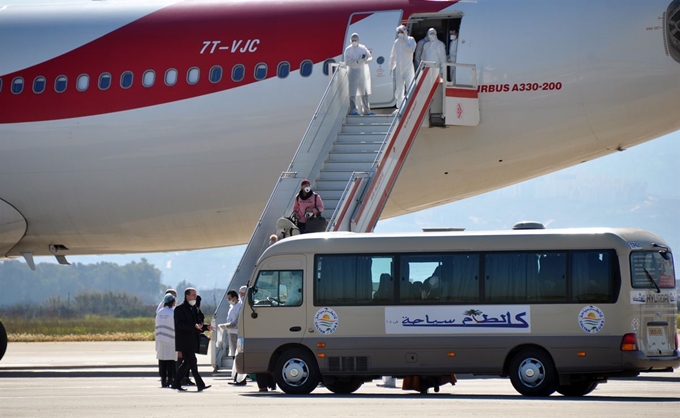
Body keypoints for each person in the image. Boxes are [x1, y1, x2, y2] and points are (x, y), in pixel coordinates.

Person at [171, 287, 213, 392]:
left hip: (193, 340)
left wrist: (206, 327)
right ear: (187, 296)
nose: (195, 297)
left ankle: (176, 383)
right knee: (192, 362)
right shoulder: (179, 309)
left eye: (195, 295)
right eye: (193, 295)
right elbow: (180, 324)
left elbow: (198, 324)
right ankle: (200, 384)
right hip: (184, 341)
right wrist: (193, 326)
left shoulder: (194, 308)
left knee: (187, 363)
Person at [219, 290, 246, 386]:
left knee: (238, 356)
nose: (229, 300)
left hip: (236, 333)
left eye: (230, 298)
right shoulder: (232, 307)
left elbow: (236, 323)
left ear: (235, 298)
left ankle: (241, 379)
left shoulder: (239, 307)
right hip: (231, 334)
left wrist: (225, 326)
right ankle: (236, 377)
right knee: (234, 356)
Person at [344, 33, 375, 116]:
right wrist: (357, 62)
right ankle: (353, 109)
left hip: (362, 72)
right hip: (352, 72)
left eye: (355, 40)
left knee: (364, 92)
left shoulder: (362, 48)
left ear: (358, 40)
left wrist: (366, 60)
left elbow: (370, 56)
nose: (354, 41)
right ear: (351, 40)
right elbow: (347, 62)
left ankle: (366, 110)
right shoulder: (348, 50)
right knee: (352, 92)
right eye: (353, 40)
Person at [389, 25, 416, 111]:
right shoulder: (396, 42)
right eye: (399, 32)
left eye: (401, 32)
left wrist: (403, 43)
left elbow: (411, 50)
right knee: (399, 89)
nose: (400, 34)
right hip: (399, 68)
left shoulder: (411, 40)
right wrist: (391, 66)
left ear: (405, 32)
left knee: (410, 86)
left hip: (408, 67)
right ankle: (400, 107)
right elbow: (393, 55)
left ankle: (411, 105)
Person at [155, 293, 177, 388]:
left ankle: (163, 381)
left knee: (162, 361)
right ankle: (170, 380)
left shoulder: (160, 312)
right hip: (171, 340)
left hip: (160, 340)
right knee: (171, 362)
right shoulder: (173, 312)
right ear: (172, 302)